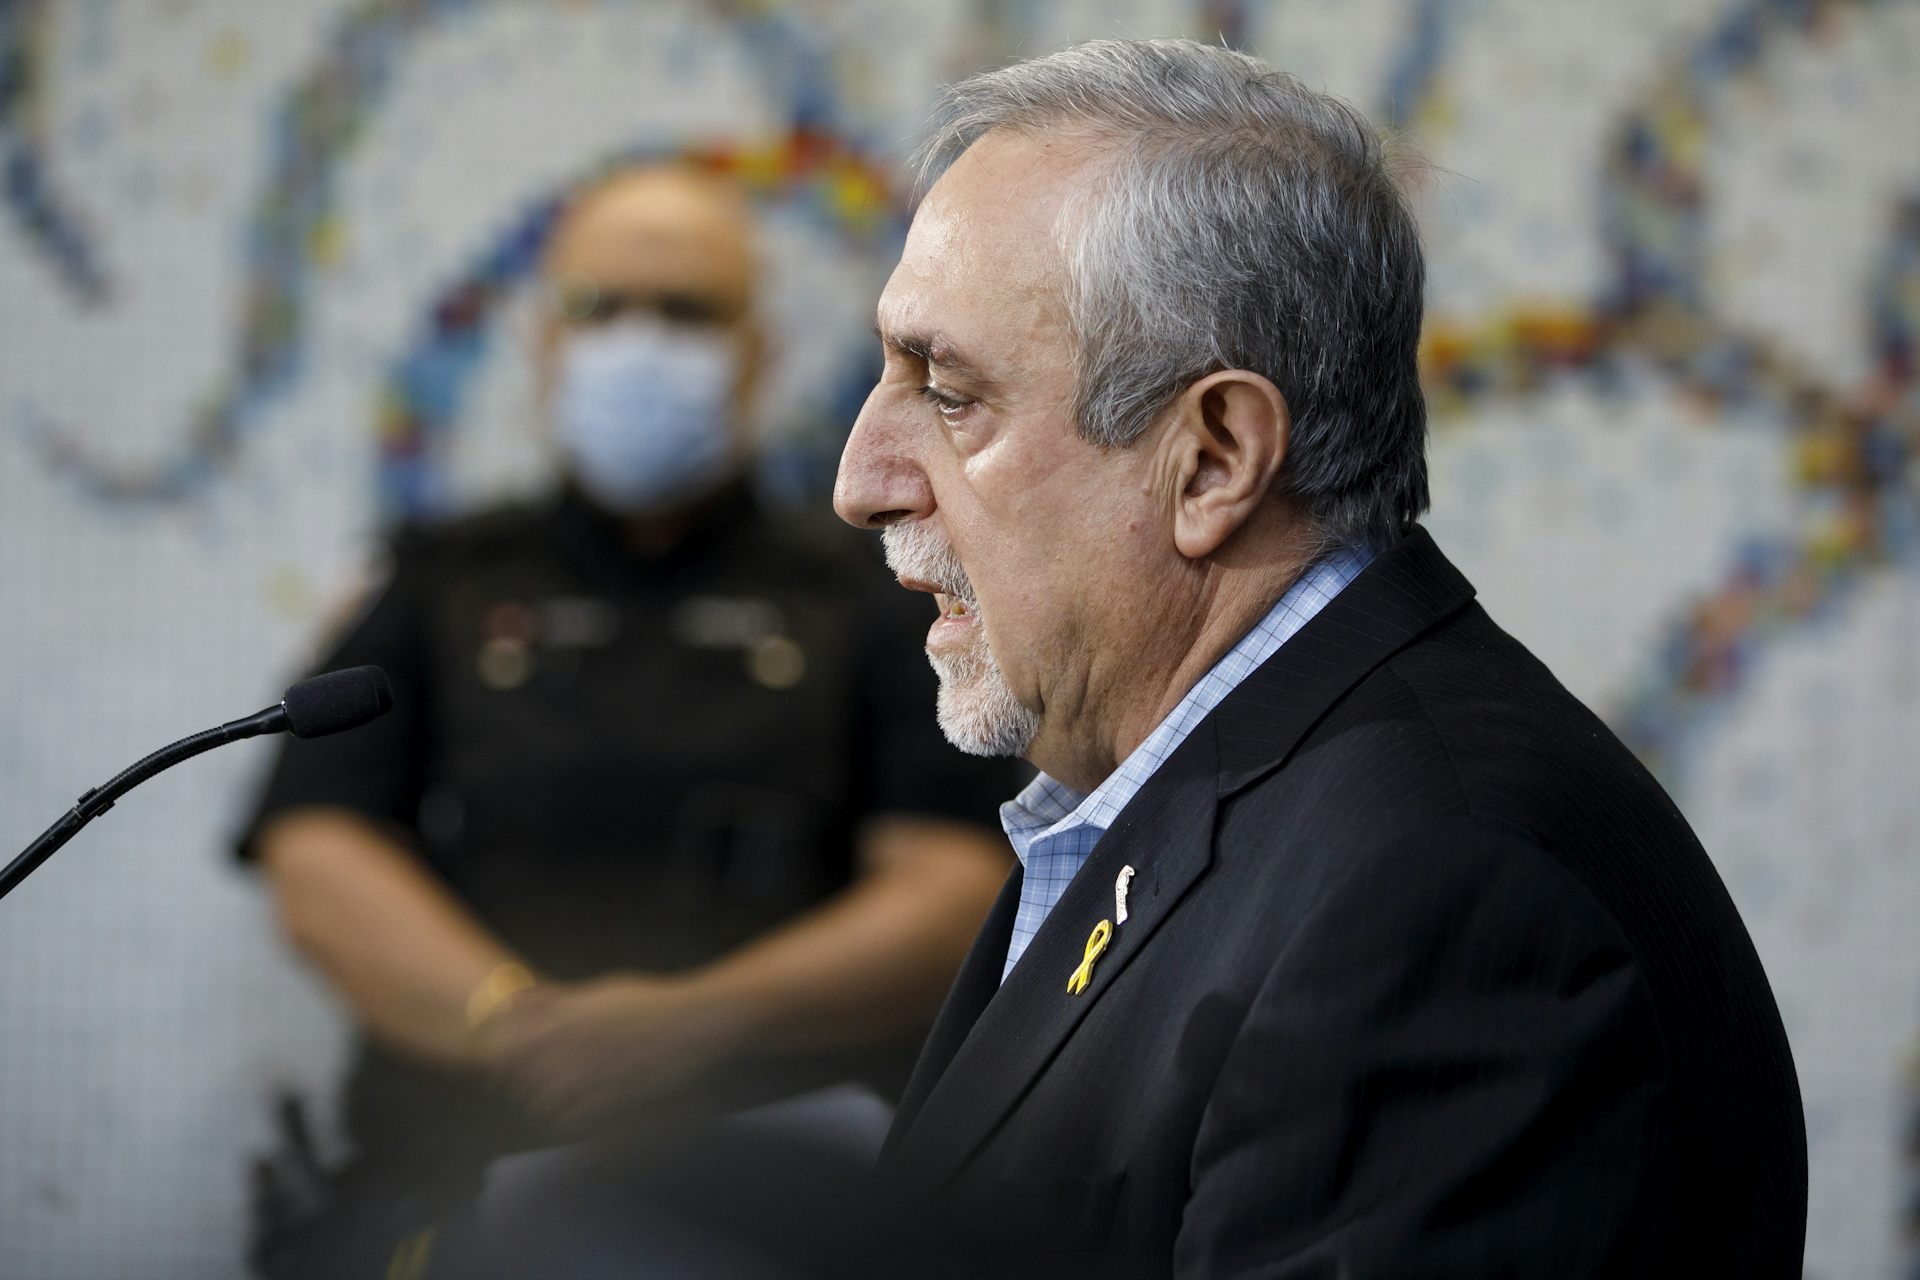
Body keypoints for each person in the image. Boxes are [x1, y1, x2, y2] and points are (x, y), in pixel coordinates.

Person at [831, 38, 1807, 1277]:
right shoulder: (1211, 804)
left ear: (1217, 458)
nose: (860, 481)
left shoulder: (1447, 894)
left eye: (951, 392)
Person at [239, 163, 1019, 1276]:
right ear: (544, 345)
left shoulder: (873, 585)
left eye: (688, 310)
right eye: (599, 307)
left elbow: (951, 881)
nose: (640, 340)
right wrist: (519, 1025)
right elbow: (317, 844)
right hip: (453, 1165)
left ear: (760, 351)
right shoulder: (441, 575)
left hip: (782, 1191)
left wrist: (700, 1022)